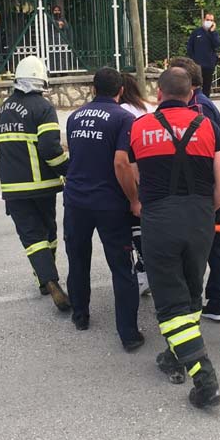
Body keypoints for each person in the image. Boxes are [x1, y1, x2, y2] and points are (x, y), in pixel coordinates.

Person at [128, 67, 220, 409]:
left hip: (159, 219)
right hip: (200, 218)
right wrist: (207, 209)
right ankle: (175, 356)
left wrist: (139, 204)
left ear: (158, 94)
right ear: (191, 95)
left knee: (170, 304)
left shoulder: (139, 127)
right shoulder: (210, 127)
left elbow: (131, 171)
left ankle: (205, 381)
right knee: (190, 292)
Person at [63, 68, 144, 350]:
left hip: (75, 201)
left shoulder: (74, 117)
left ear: (93, 89)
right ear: (121, 91)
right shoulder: (124, 118)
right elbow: (122, 163)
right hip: (109, 204)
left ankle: (80, 315)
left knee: (78, 259)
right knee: (122, 267)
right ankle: (129, 335)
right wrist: (134, 200)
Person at [0, 55, 71, 312]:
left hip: (12, 188)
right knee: (48, 232)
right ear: (42, 80)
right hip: (42, 185)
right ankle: (48, 280)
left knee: (31, 236)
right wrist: (68, 169)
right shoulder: (43, 107)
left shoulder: (5, 108)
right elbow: (50, 148)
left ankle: (46, 279)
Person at [170, 57, 220, 322]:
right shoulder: (199, 105)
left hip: (204, 189)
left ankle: (215, 302)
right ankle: (209, 300)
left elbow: (210, 154)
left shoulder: (200, 108)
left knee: (213, 244)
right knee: (209, 244)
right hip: (200, 189)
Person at [117, 71, 153, 297]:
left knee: (133, 224)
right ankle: (145, 268)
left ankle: (144, 267)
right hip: (153, 172)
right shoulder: (149, 108)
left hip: (133, 172)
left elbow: (123, 157)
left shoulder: (120, 113)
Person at [186, 11, 220, 96]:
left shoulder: (214, 33)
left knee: (207, 86)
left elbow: (216, 44)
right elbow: (190, 47)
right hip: (197, 65)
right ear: (204, 20)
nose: (209, 21)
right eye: (207, 19)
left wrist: (212, 32)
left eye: (211, 20)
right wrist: (194, 60)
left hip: (209, 64)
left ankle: (205, 101)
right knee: (195, 85)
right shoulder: (196, 32)